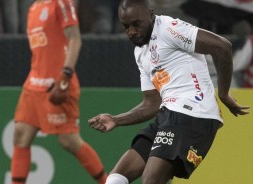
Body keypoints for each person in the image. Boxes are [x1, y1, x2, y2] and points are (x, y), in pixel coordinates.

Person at [88, 0, 250, 184]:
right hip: (168, 114)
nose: (131, 31)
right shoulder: (140, 52)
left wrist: (224, 93)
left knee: (151, 180)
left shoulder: (168, 28)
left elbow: (222, 47)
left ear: (150, 15)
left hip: (193, 113)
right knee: (115, 179)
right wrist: (116, 120)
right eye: (126, 26)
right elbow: (152, 103)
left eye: (136, 24)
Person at [11, 0, 107, 184]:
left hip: (57, 83)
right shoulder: (33, 8)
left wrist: (65, 76)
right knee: (20, 134)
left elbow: (75, 38)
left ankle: (107, 181)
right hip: (33, 84)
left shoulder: (62, 2)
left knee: (69, 140)